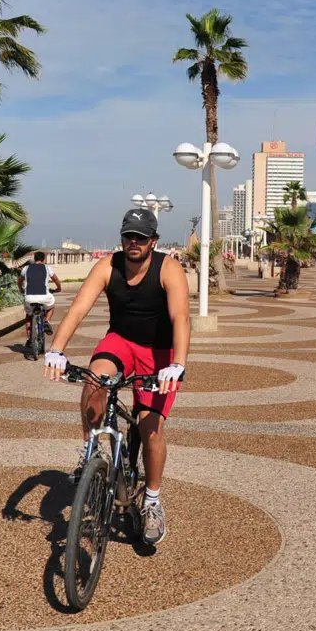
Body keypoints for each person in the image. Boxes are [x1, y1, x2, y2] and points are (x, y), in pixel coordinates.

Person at [42, 207, 190, 546]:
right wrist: (56, 350)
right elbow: (79, 308)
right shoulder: (109, 266)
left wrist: (177, 365)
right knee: (95, 379)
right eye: (128, 236)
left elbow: (180, 317)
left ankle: (152, 501)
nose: (133, 242)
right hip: (121, 341)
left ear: (154, 240)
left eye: (140, 237)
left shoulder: (168, 268)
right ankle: (90, 451)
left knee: (151, 428)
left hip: (160, 351)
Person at [18, 251, 62, 358]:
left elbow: (20, 281)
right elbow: (56, 279)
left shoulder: (26, 268)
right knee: (51, 305)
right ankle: (46, 321)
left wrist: (21, 289)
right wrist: (58, 288)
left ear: (34, 258)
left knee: (29, 315)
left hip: (29, 297)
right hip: (44, 297)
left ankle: (29, 339)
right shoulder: (47, 268)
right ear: (44, 259)